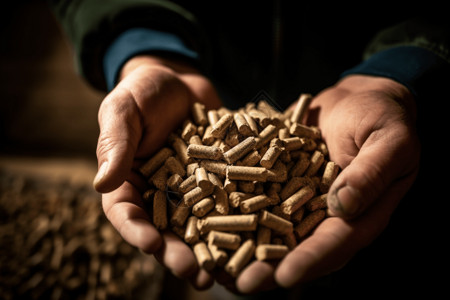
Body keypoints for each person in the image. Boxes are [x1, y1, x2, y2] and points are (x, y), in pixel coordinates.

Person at [47, 1, 449, 297]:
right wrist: (141, 47)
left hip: (380, 159)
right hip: (205, 75)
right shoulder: (195, 165)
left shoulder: (287, 173)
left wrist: (399, 71)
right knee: (243, 279)